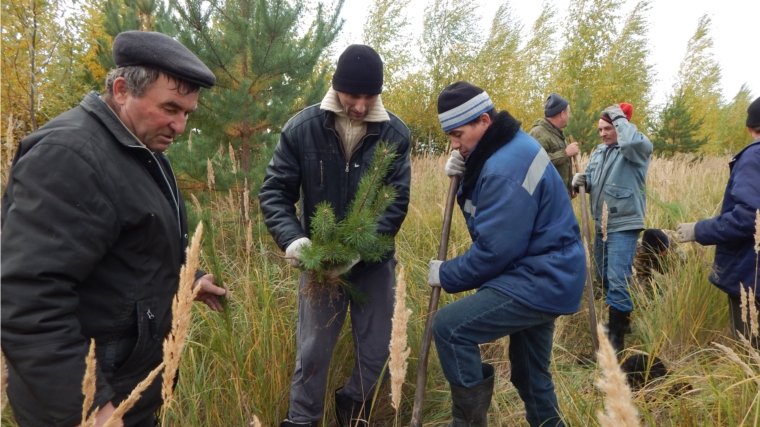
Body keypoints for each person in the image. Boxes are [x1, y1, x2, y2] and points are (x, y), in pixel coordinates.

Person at [0, 31, 227, 427]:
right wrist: (90, 407)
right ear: (122, 90)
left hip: (128, 386)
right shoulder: (70, 156)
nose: (180, 125)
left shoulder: (141, 149)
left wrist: (186, 279)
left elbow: (126, 251)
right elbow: (28, 298)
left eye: (187, 113)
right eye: (171, 108)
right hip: (87, 399)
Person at [258, 44, 411, 427]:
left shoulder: (395, 134)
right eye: (351, 95)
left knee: (378, 349)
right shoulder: (303, 128)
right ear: (335, 86)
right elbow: (275, 192)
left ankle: (352, 407)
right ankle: (302, 420)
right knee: (312, 353)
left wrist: (359, 249)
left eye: (368, 96)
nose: (359, 105)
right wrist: (295, 241)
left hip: (373, 263)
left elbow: (396, 201)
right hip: (320, 263)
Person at [429, 81, 585, 427]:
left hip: (539, 278)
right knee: (530, 375)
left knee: (450, 328)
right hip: (551, 273)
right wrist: (467, 173)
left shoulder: (504, 166)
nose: (454, 144)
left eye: (457, 134)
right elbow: (495, 218)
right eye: (450, 137)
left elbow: (494, 250)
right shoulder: (508, 149)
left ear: (483, 120)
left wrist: (445, 273)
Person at [676, 96, 760, 347]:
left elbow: (749, 218)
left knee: (751, 351)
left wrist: (699, 230)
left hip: (752, 271)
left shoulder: (753, 156)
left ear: (749, 127)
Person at [572, 103, 653, 353]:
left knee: (617, 279)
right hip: (602, 223)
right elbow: (593, 179)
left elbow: (629, 143)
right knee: (603, 276)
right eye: (600, 129)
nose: (603, 133)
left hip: (624, 223)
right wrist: (581, 181)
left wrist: (619, 117)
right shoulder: (600, 151)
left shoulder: (637, 147)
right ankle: (622, 323)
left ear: (621, 125)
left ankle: (615, 346)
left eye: (609, 128)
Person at [527, 92, 579, 197]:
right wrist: (565, 153)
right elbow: (534, 163)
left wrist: (570, 187)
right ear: (562, 113)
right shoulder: (538, 133)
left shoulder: (557, 133)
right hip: (547, 199)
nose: (569, 116)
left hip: (560, 197)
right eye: (568, 113)